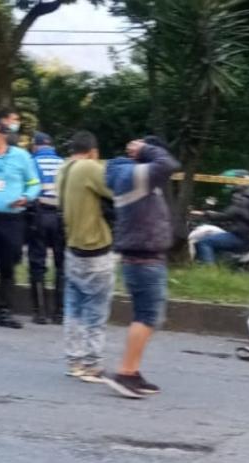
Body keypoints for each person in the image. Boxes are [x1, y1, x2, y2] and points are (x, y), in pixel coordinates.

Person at [101, 138, 180, 399]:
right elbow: (168, 164)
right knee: (148, 317)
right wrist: (145, 149)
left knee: (145, 316)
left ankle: (132, 372)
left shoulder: (129, 175)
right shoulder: (134, 175)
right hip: (144, 259)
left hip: (141, 256)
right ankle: (126, 372)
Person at [58, 131, 115, 380]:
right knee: (96, 312)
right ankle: (93, 363)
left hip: (72, 248)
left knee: (73, 309)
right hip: (96, 250)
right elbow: (115, 191)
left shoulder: (63, 169)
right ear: (93, 151)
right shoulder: (89, 167)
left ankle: (74, 362)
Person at [0, 118, 41, 331]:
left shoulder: (21, 157)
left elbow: (34, 183)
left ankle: (4, 313)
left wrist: (26, 197)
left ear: (0, 136)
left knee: (8, 265)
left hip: (12, 220)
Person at [28, 132, 66, 324]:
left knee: (37, 262)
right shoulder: (63, 163)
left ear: (35, 146)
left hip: (39, 215)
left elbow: (28, 189)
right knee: (62, 264)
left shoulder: (31, 162)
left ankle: (40, 313)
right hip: (60, 216)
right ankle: (60, 312)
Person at [193, 183, 249, 264]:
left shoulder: (241, 201)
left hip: (238, 237)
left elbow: (224, 216)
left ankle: (209, 268)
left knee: (204, 242)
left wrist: (205, 214)